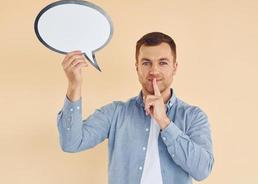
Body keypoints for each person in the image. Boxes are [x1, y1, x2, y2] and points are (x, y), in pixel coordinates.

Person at [57, 32, 214, 184]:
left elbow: (202, 170)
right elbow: (71, 143)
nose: (154, 71)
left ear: (175, 67)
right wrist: (74, 85)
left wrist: (164, 122)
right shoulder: (115, 113)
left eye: (163, 62)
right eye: (146, 63)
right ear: (137, 67)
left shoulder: (194, 116)